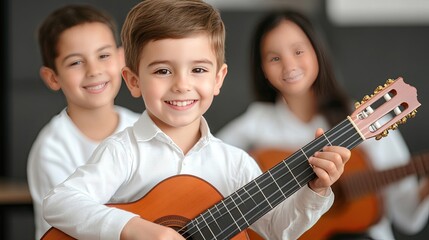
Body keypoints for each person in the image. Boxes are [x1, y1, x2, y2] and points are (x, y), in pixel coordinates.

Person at [41, 1, 351, 239]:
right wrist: (139, 229)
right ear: (133, 81)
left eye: (198, 70)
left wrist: (316, 190)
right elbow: (58, 203)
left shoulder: (234, 164)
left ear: (219, 79)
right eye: (163, 71)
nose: (181, 84)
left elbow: (277, 230)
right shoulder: (124, 152)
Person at [216, 10, 429, 240]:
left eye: (298, 51)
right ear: (263, 70)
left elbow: (408, 218)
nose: (289, 65)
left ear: (318, 53)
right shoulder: (256, 123)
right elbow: (207, 166)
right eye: (274, 58)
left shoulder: (365, 118)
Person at [26, 4, 140, 239]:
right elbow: (69, 225)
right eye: (76, 62)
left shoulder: (143, 129)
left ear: (121, 59)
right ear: (52, 77)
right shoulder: (52, 149)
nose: (94, 70)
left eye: (104, 56)